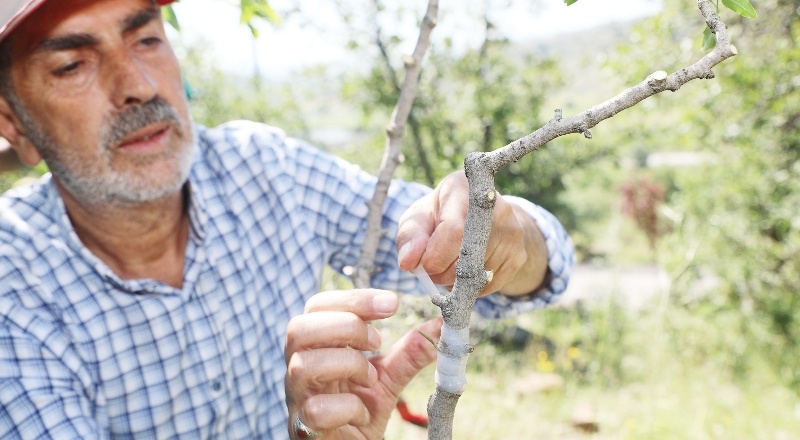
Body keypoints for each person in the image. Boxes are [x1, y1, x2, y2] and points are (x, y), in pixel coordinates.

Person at [0, 0, 574, 438]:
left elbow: (525, 275)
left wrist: (504, 236)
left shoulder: (265, 169)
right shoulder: (13, 283)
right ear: (15, 125)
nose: (138, 85)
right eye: (72, 65)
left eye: (147, 39)